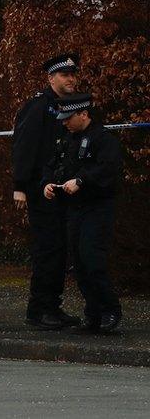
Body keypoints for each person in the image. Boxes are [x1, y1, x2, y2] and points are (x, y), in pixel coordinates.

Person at [12, 53, 81, 330]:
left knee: (59, 250)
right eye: (65, 75)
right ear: (51, 78)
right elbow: (24, 146)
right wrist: (20, 186)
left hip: (63, 189)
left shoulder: (70, 107)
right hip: (41, 190)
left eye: (73, 74)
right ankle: (39, 310)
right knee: (47, 250)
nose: (70, 79)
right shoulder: (39, 107)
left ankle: (51, 306)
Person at [43, 93, 123, 333]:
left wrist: (82, 180)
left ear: (84, 114)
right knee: (78, 263)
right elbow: (54, 165)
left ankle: (110, 310)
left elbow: (108, 170)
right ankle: (93, 314)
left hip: (97, 208)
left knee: (92, 260)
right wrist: (48, 183)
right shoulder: (67, 140)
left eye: (69, 118)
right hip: (74, 209)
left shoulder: (103, 139)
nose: (64, 122)